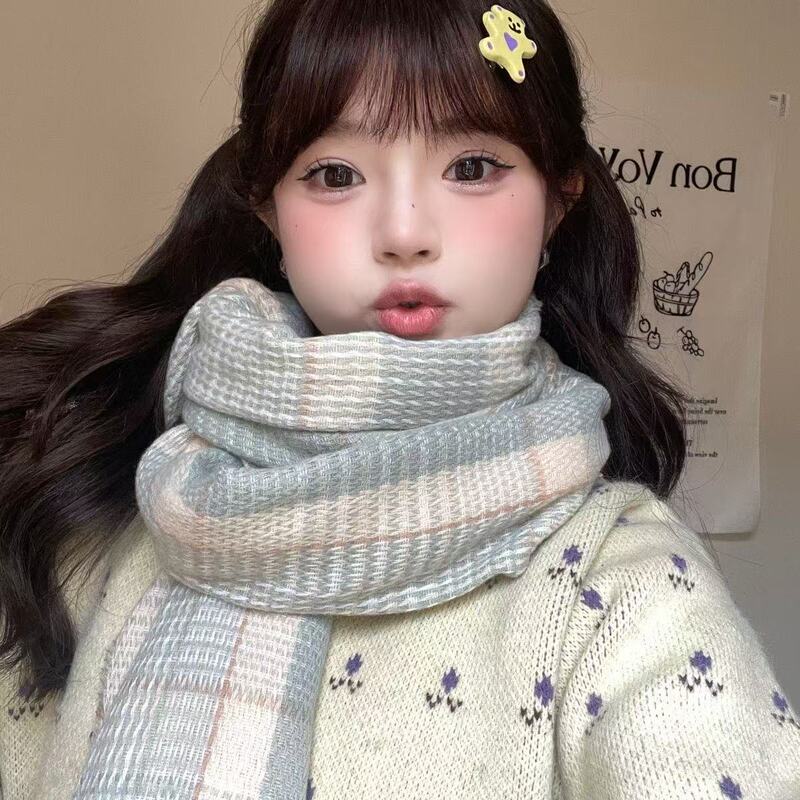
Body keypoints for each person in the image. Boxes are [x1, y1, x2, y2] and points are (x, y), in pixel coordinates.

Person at [1, 0, 798, 797]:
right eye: (335, 175)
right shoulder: (89, 501)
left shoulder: (626, 585)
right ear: (268, 208)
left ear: (559, 199)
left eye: (473, 168)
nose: (405, 233)